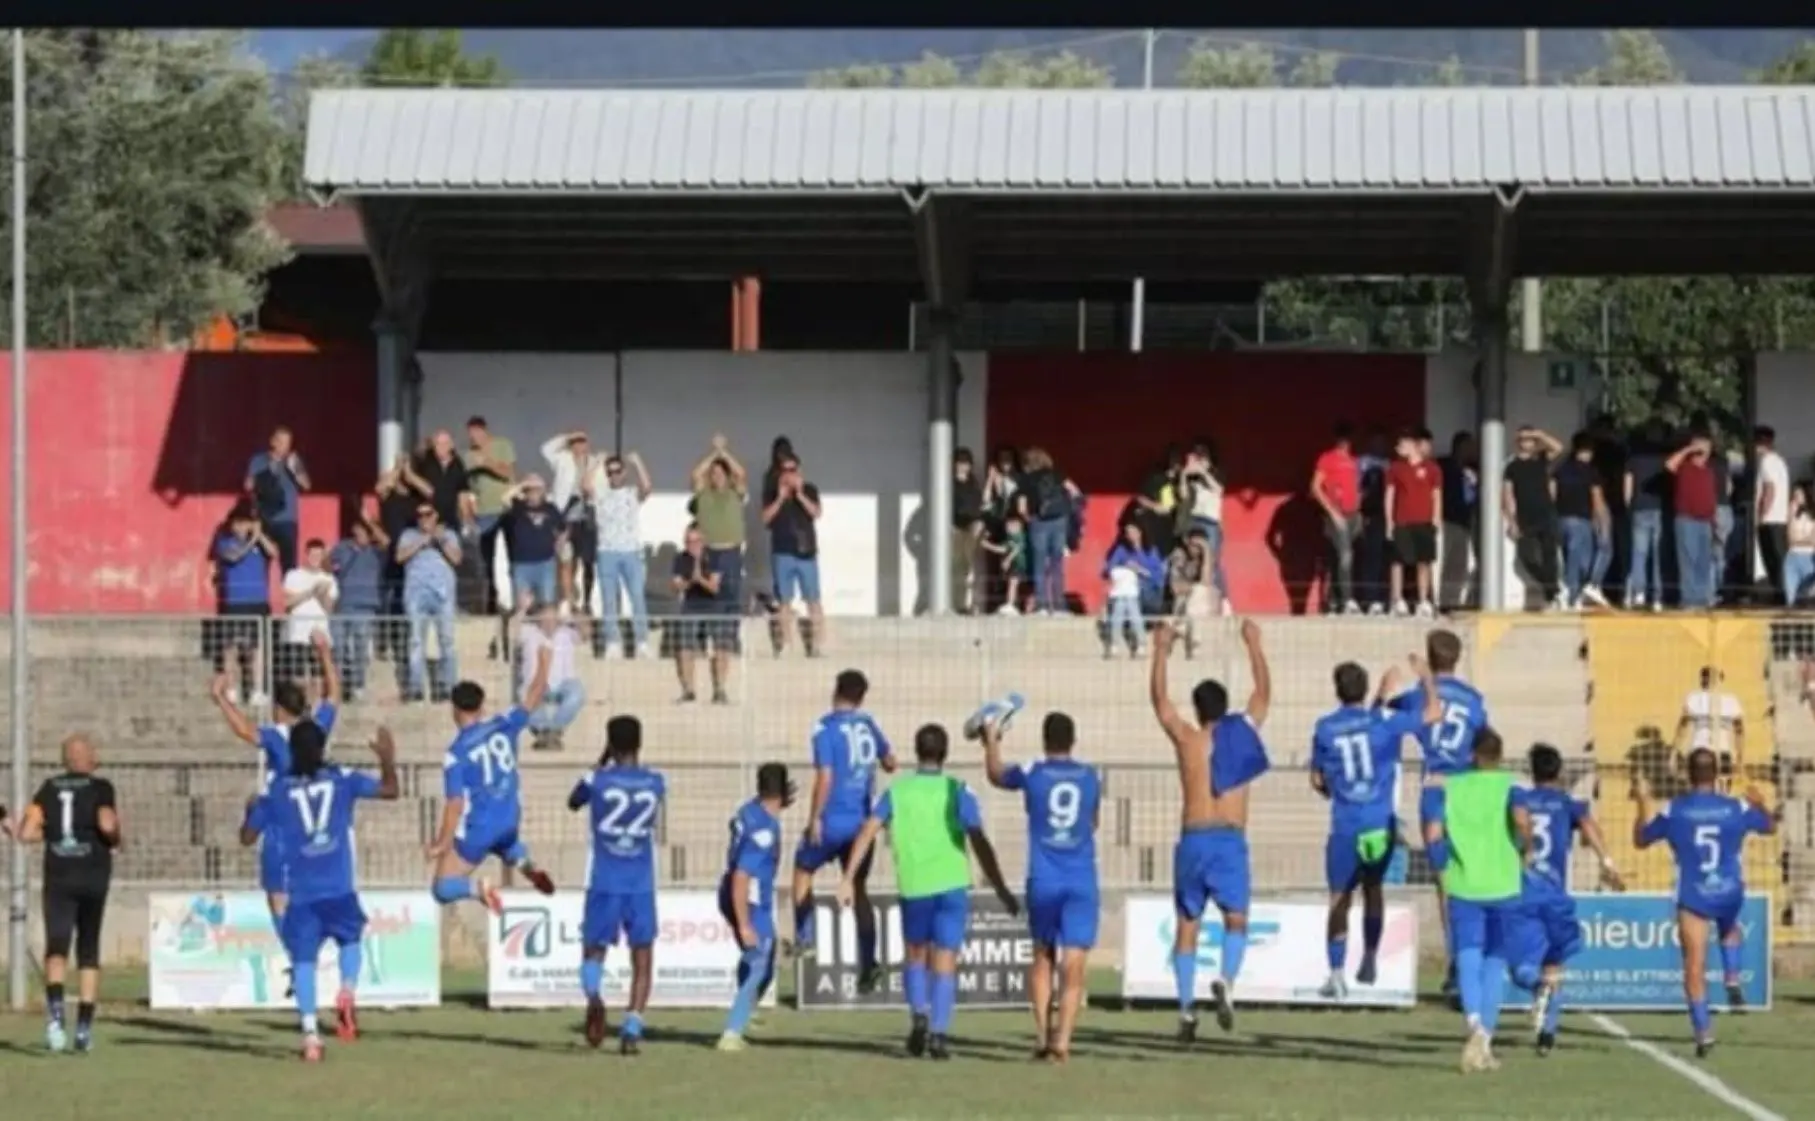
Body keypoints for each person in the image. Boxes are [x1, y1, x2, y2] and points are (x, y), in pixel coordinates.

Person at [839, 724, 1018, 1060]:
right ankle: (938, 1034)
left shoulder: (898, 792)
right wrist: (1000, 887)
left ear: (916, 751)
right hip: (952, 884)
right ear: (945, 753)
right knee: (946, 960)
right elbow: (979, 840)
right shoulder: (959, 790)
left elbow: (867, 831)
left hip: (915, 884)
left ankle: (919, 1013)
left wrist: (848, 877)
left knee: (916, 956)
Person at [1148, 617, 1271, 1042]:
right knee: (1236, 920)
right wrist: (1253, 644)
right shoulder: (1241, 733)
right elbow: (1263, 695)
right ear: (1225, 707)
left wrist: (1160, 650)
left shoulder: (1188, 740)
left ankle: (1185, 1010)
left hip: (1193, 837)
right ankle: (1228, 983)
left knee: (1187, 924)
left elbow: (1161, 703)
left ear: (1198, 710)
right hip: (1229, 838)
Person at [254, 721, 400, 1061]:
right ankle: (347, 990)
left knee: (304, 961)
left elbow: (247, 835)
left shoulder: (277, 790)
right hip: (339, 887)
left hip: (301, 892)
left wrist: (252, 812)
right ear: (322, 748)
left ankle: (310, 1037)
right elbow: (391, 790)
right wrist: (387, 759)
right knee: (350, 940)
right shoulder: (343, 778)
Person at [1308, 657, 1439, 1000]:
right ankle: (1369, 955)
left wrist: (1334, 791)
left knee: (1339, 898)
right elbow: (1431, 714)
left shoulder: (1324, 727)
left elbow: (1317, 780)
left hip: (1346, 823)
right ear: (1364, 690)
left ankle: (1336, 974)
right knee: (1373, 889)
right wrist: (1426, 678)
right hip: (1379, 824)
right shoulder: (1383, 722)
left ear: (1337, 692)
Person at [1633, 748, 1776, 1058]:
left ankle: (1703, 1032)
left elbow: (1641, 839)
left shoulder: (1676, 809)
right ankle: (1733, 977)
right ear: (1716, 774)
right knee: (1730, 927)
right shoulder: (1735, 806)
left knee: (1694, 966)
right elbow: (1769, 826)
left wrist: (1643, 802)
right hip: (1728, 890)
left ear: (1687, 773)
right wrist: (1759, 802)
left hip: (1694, 894)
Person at [981, 709, 1100, 1062]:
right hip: (1080, 878)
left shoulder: (1033, 771)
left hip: (1044, 877)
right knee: (1075, 961)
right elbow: (1092, 822)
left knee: (1043, 955)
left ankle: (1040, 1036)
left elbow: (996, 775)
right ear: (1073, 740)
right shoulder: (1090, 776)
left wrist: (991, 741)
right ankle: (1063, 1042)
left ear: (1044, 740)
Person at [210, 629, 342, 929]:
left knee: (279, 896)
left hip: (284, 821)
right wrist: (324, 653)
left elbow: (244, 729)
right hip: (318, 820)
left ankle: (296, 954)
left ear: (278, 709)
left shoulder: (275, 736)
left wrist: (221, 700)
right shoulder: (317, 728)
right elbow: (333, 695)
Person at [1385, 628, 1488, 1000]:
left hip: (1435, 787)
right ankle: (1473, 959)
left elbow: (1383, 712)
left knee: (1446, 882)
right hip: (1466, 789)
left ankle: (1458, 963)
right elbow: (1484, 744)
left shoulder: (1417, 695)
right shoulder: (1475, 699)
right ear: (1456, 659)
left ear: (1430, 657)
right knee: (1471, 875)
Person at [2, 734, 121, 1053]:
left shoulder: (48, 787)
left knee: (57, 944)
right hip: (94, 875)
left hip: (59, 876)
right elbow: (107, 823)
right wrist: (116, 838)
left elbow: (26, 833)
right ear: (85, 759)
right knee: (88, 948)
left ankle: (55, 1018)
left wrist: (21, 826)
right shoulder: (101, 787)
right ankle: (83, 1028)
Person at [1506, 743, 1625, 1056]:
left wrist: (1523, 845)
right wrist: (1607, 863)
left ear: (1531, 771)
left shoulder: (1519, 798)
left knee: (1517, 964)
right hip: (1557, 893)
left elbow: (1518, 822)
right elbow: (1590, 827)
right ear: (1558, 772)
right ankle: (1547, 1035)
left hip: (1525, 890)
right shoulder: (1569, 804)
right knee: (1554, 963)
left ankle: (1536, 990)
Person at [1424, 727, 1529, 1074]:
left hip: (1464, 884)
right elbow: (1521, 820)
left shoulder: (1451, 787)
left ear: (1472, 755)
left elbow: (1433, 833)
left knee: (1467, 954)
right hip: (1503, 884)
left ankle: (1474, 1029)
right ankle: (1484, 1038)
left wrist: (1441, 864)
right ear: (1500, 756)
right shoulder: (1510, 785)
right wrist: (1523, 846)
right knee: (1495, 961)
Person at [427, 648, 556, 913]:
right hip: (509, 818)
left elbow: (455, 804)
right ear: (482, 706)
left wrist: (442, 842)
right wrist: (544, 663)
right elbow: (535, 694)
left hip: (479, 828)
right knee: (505, 844)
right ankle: (524, 863)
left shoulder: (456, 753)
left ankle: (479, 890)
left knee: (443, 887)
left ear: (454, 709)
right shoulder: (503, 724)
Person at [791, 670, 896, 991]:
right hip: (862, 824)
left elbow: (825, 776)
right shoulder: (868, 724)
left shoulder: (825, 727)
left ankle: (805, 937)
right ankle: (869, 961)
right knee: (859, 890)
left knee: (802, 869)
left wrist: (815, 818)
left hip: (833, 818)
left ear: (835, 689)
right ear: (862, 696)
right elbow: (891, 761)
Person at [569, 715, 666, 1054]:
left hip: (604, 881)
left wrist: (601, 760)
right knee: (642, 958)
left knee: (593, 951)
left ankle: (595, 998)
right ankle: (632, 1027)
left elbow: (573, 801)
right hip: (640, 882)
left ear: (610, 744)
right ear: (639, 744)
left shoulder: (596, 779)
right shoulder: (655, 782)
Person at [717, 761, 795, 1052]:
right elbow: (742, 876)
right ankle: (732, 1032)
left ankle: (745, 1012)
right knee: (760, 960)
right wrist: (744, 922)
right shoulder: (764, 831)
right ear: (782, 791)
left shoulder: (750, 810)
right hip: (747, 898)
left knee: (764, 956)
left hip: (736, 892)